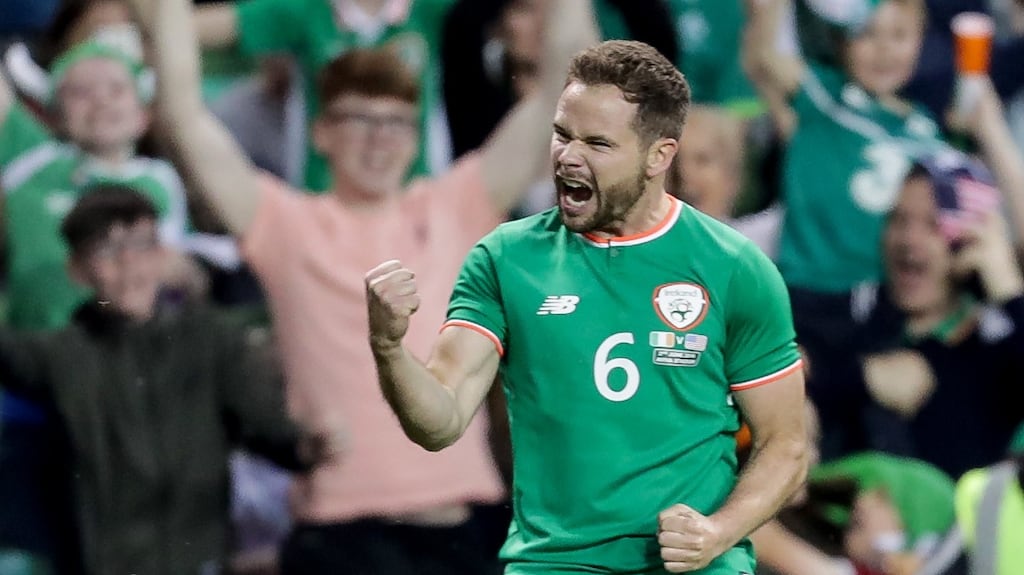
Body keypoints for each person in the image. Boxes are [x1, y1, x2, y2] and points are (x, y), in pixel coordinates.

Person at [132, 0, 598, 571]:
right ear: (321, 134)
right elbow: (184, 116)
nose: (380, 140)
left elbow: (562, 91)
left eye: (396, 122)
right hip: (339, 537)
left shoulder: (455, 207)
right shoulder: (286, 225)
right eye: (359, 121)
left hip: (459, 532)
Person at [365, 40, 809, 574]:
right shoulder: (505, 260)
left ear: (659, 155)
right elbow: (439, 421)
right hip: (553, 565)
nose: (568, 157)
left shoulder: (735, 268)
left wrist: (719, 532)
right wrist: (389, 348)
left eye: (597, 143)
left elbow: (786, 446)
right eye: (561, 134)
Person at [0, 184, 338, 575]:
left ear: (164, 256)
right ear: (77, 270)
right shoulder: (59, 355)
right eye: (107, 251)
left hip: (198, 560)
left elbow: (267, 427)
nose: (130, 264)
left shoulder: (211, 340)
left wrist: (308, 445)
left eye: (143, 245)